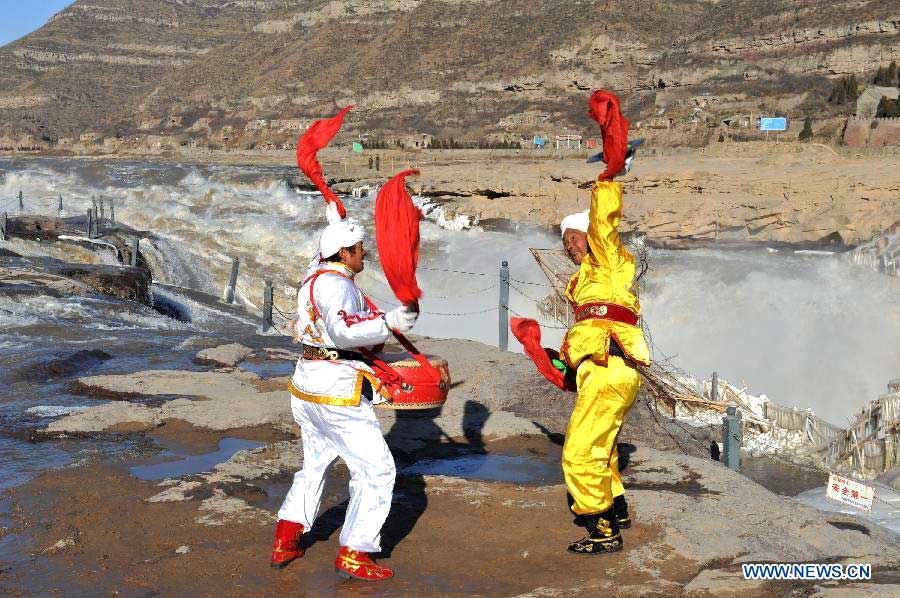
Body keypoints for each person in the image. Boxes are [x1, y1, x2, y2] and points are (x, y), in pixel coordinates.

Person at [270, 211, 417, 580]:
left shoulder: (314, 274)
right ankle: (356, 551)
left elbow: (319, 259)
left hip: (308, 386)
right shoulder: (337, 285)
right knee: (377, 470)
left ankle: (286, 537)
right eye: (359, 249)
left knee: (316, 464)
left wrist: (336, 219)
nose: (364, 254)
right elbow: (343, 331)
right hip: (337, 392)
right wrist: (389, 321)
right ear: (345, 252)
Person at [555, 152, 650, 555]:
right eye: (564, 243)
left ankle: (602, 530)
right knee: (603, 444)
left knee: (577, 453)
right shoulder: (584, 282)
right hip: (609, 366)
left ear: (588, 235)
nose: (568, 248)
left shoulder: (608, 261)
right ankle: (618, 507)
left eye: (573, 238)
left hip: (610, 364)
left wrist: (609, 179)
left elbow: (606, 226)